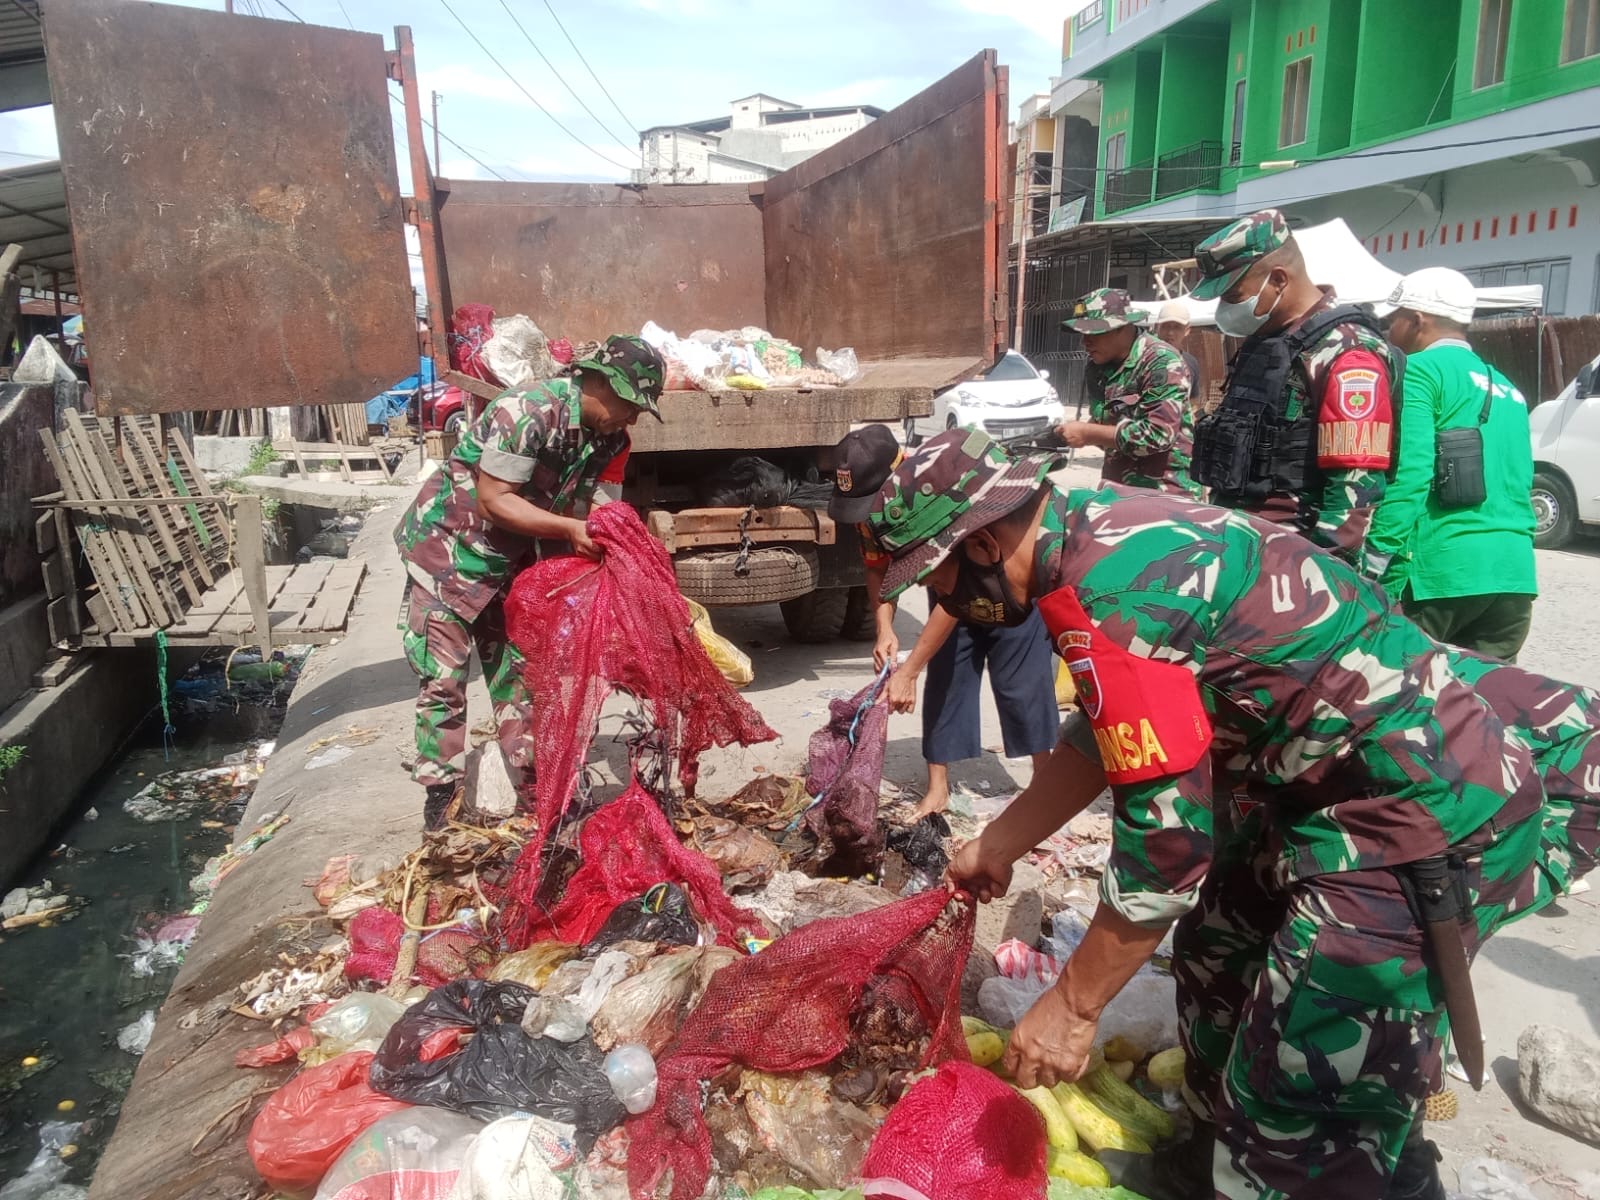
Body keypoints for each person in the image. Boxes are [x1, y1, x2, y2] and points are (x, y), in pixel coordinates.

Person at [865, 428, 1599, 1200]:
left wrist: (1072, 1007)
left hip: (1414, 812)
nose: (939, 600)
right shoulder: (1086, 530)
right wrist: (1000, 842)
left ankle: (1333, 1165)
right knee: (1216, 956)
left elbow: (1166, 851)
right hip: (1315, 792)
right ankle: (1220, 1160)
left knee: (1307, 1090)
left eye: (934, 577)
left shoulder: (1116, 592)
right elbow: (1109, 733)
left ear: (981, 542)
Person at [395, 334, 665, 829]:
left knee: (524, 678)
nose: (632, 417)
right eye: (629, 403)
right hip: (450, 555)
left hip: (515, 565)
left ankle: (535, 792)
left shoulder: (610, 439)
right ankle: (441, 797)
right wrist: (570, 530)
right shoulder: (525, 411)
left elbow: (591, 507)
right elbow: (495, 499)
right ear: (597, 382)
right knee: (444, 681)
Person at [831, 425, 1058, 819]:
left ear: (899, 468)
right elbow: (877, 569)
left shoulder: (941, 486)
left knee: (1024, 683)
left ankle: (1046, 785)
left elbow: (955, 599)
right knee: (948, 679)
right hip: (951, 587)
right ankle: (938, 789)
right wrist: (884, 628)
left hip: (999, 582)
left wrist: (910, 669)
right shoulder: (871, 513)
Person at [1189, 209, 1399, 571]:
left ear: (1278, 280)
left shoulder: (1346, 351)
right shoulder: (1269, 341)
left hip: (1292, 563)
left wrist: (1322, 574)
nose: (1226, 307)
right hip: (1241, 548)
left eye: (1234, 293)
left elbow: (1353, 491)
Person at [1368, 267, 1538, 660]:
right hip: (1512, 578)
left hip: (1438, 578)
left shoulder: (1420, 372)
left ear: (1417, 321)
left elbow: (1413, 475)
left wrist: (1372, 559)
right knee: (1484, 709)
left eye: (1393, 320)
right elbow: (1518, 483)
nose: (1389, 332)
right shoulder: (1509, 388)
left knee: (1404, 706)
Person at [1056, 288, 1201, 498]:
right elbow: (1104, 424)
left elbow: (1158, 435)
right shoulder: (1098, 368)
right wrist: (1071, 433)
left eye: (1093, 332)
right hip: (1117, 488)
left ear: (1122, 327)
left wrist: (1088, 433)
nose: (1085, 342)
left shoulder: (1160, 361)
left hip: (1163, 492)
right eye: (1082, 333)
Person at [1154, 299, 1204, 410]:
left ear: (1187, 330)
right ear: (1156, 327)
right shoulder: (1142, 360)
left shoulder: (1190, 362)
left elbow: (1193, 402)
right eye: (1166, 326)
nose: (1170, 333)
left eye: (1177, 327)